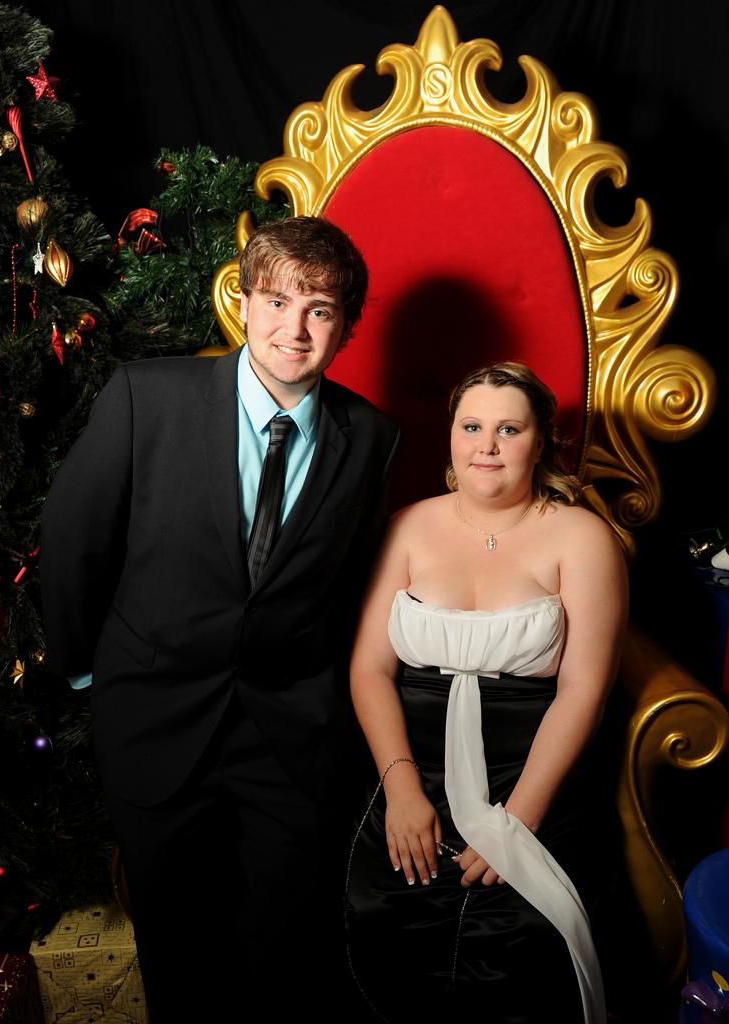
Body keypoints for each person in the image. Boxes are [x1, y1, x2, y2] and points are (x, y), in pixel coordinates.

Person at [39, 215, 400, 1021]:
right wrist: (93, 673)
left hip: (291, 739)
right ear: (243, 301)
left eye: (319, 309)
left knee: (287, 952)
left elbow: (353, 587)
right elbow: (73, 538)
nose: (293, 328)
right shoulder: (148, 397)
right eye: (276, 301)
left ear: (346, 324)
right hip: (154, 722)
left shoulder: (371, 438)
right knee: (179, 951)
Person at [345, 361, 628, 1024]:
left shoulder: (582, 538)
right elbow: (369, 671)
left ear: (541, 441)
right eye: (472, 426)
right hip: (411, 771)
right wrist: (402, 791)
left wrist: (517, 820)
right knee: (380, 927)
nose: (488, 444)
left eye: (509, 428)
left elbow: (584, 688)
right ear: (450, 437)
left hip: (530, 775)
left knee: (524, 942)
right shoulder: (408, 527)